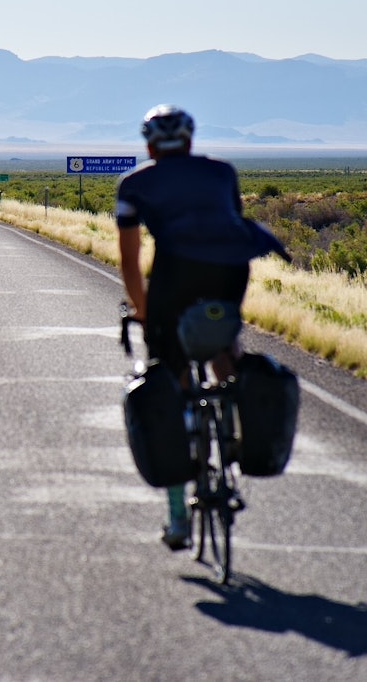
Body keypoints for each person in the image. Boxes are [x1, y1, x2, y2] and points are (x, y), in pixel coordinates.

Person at [115, 104, 286, 550]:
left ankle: (177, 517)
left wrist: (144, 310)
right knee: (221, 342)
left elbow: (131, 261)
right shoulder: (222, 173)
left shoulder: (134, 184)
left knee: (168, 379)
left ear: (149, 144)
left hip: (175, 274)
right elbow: (228, 226)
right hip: (231, 270)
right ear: (190, 141)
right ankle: (234, 425)